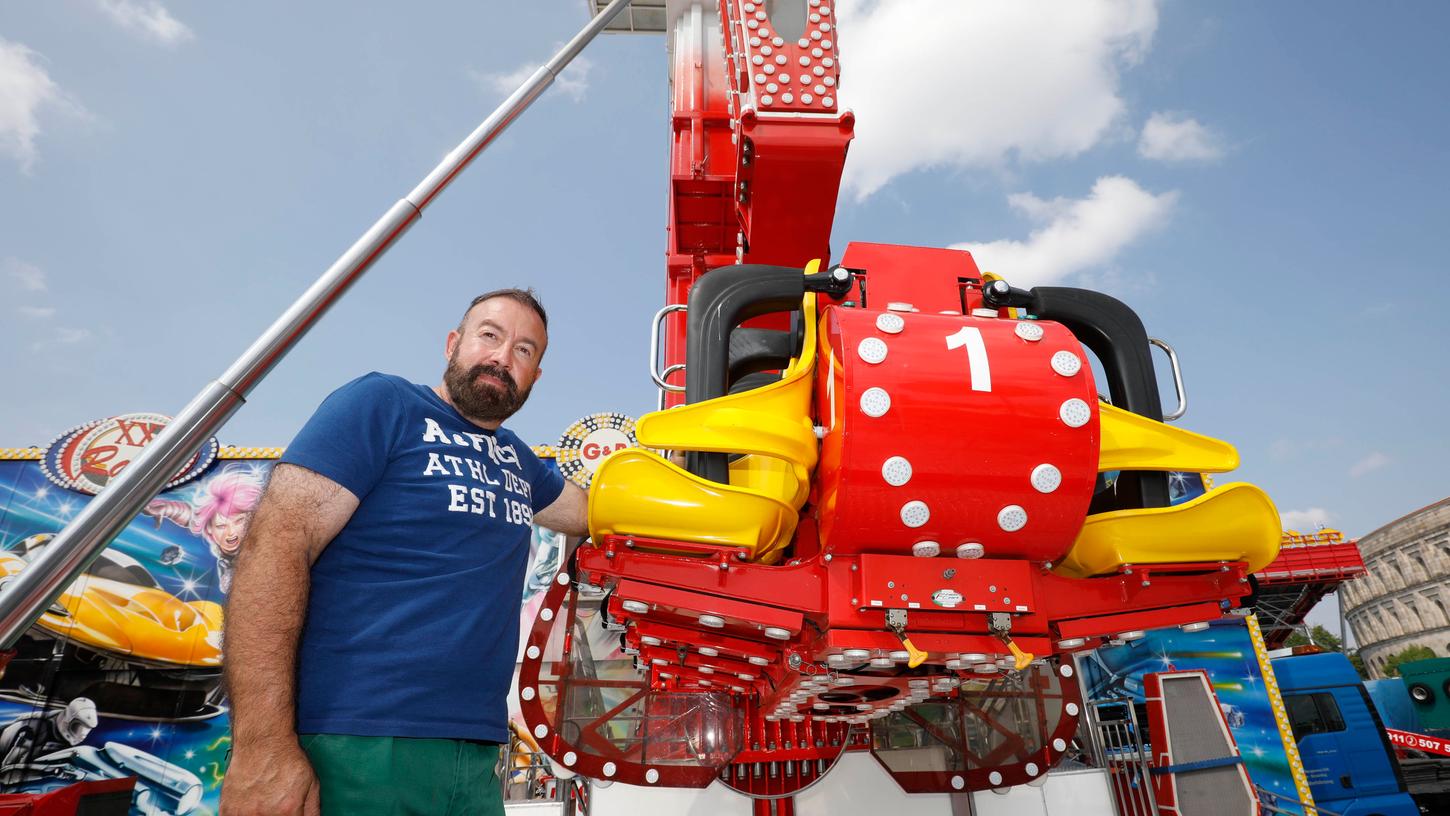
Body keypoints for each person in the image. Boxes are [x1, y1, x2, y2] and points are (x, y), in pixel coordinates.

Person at [219, 289, 588, 816]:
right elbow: (275, 547)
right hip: (359, 742)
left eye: (525, 351)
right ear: (453, 343)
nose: (503, 357)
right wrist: (260, 747)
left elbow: (593, 511)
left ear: (536, 377)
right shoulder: (385, 404)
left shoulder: (519, 460)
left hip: (478, 753)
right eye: (490, 335)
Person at [0, 697, 98, 784]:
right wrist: (51, 771)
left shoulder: (63, 735)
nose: (81, 735)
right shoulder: (36, 728)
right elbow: (6, 774)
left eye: (86, 730)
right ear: (66, 721)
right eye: (77, 727)